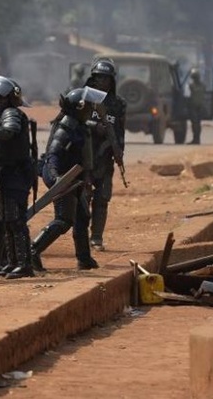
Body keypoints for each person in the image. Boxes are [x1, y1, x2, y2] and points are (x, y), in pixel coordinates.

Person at [31, 87, 106, 272]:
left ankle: (84, 258)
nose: (91, 109)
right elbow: (53, 155)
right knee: (64, 219)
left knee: (82, 216)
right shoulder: (66, 126)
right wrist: (58, 179)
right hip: (61, 175)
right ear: (80, 107)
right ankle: (32, 251)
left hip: (74, 176)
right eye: (89, 106)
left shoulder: (79, 124)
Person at [0, 76, 37, 279]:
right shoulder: (7, 113)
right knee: (7, 220)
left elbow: (9, 132)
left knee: (15, 221)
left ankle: (23, 264)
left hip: (13, 175)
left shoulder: (11, 113)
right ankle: (13, 263)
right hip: (7, 174)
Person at [84, 59, 127, 251]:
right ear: (93, 78)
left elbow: (120, 132)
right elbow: (72, 122)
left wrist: (118, 152)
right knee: (83, 199)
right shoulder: (84, 98)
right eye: (99, 78)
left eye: (106, 78)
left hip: (104, 158)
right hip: (82, 158)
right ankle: (81, 237)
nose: (103, 82)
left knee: (102, 198)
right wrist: (94, 126)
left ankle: (97, 238)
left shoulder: (118, 104)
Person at [185, 68, 206, 145]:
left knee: (195, 123)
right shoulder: (203, 86)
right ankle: (197, 139)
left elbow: (187, 96)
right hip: (200, 106)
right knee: (198, 123)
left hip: (193, 106)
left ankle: (195, 139)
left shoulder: (190, 86)